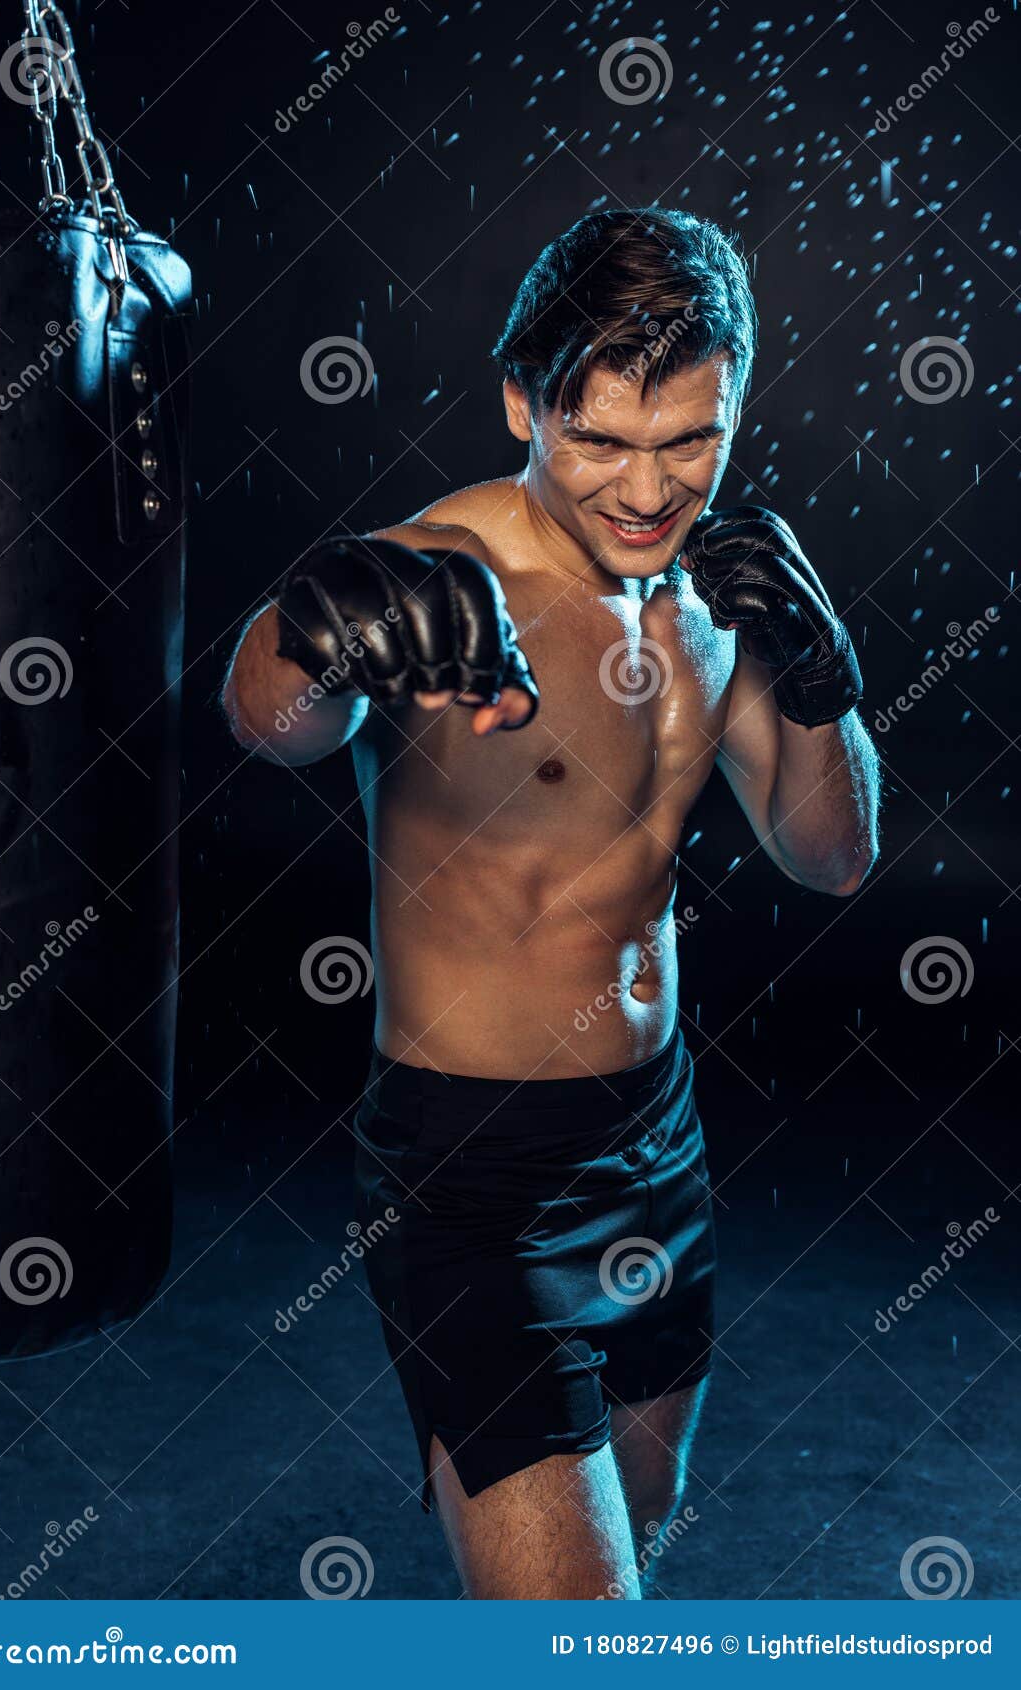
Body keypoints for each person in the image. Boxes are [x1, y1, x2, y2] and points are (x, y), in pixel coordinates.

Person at [221, 207, 880, 1600]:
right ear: (525, 400)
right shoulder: (450, 576)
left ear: (733, 410)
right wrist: (315, 626)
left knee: (641, 1518)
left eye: (687, 441)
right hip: (469, 1172)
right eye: (599, 440)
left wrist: (827, 688)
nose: (646, 490)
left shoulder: (720, 591)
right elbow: (268, 712)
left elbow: (835, 856)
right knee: (579, 1634)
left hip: (656, 1141)